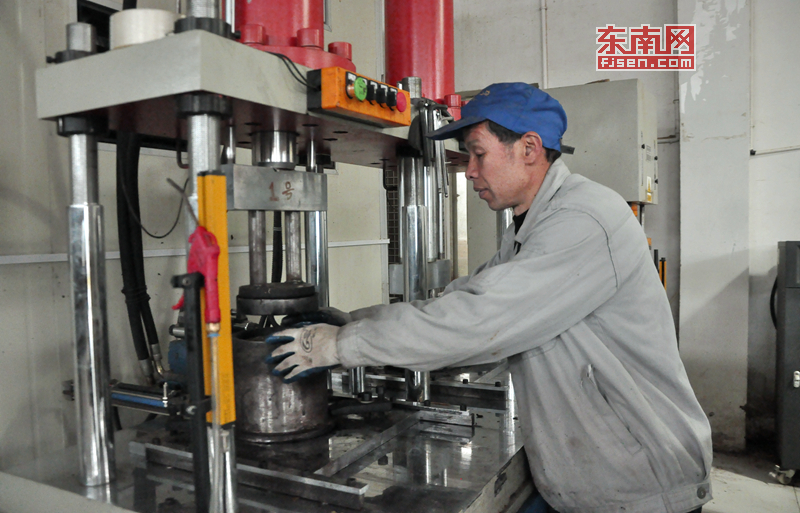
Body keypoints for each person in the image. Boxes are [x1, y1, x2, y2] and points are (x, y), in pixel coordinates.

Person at [266, 82, 713, 513]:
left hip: (639, 482)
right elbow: (460, 300)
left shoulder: (583, 220)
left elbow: (477, 322)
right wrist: (352, 322)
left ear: (529, 148)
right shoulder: (531, 226)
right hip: (599, 478)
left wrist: (341, 346)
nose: (470, 170)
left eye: (478, 154)